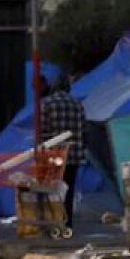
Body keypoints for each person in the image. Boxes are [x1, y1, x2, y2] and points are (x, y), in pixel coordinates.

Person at [39, 74, 86, 229]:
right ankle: (67, 221)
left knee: (52, 187)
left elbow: (43, 130)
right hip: (73, 154)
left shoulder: (47, 104)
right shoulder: (77, 104)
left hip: (54, 154)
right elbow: (84, 129)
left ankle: (54, 221)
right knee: (68, 188)